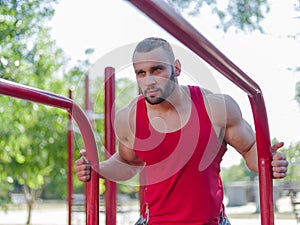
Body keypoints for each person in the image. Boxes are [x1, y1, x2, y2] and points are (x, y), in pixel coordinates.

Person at [75, 37, 289, 225]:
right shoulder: (128, 117)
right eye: (141, 73)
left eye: (157, 69)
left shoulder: (215, 108)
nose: (148, 80)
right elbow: (127, 162)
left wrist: (269, 162)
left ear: (176, 68)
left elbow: (250, 149)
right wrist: (97, 168)